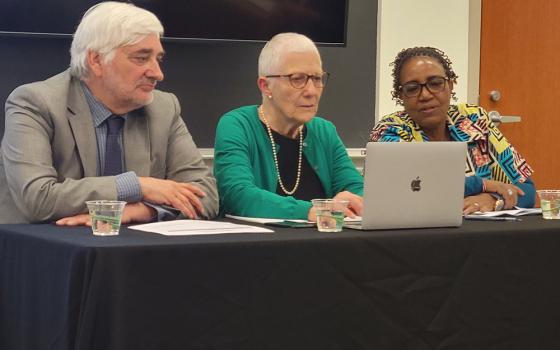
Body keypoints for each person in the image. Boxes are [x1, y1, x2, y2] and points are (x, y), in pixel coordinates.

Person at [0, 1, 218, 224]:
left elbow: (206, 195)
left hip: (130, 252)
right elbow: (38, 199)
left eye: (158, 59)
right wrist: (137, 186)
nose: (157, 73)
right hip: (43, 252)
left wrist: (141, 211)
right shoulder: (35, 103)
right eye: (141, 58)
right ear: (96, 60)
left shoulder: (163, 108)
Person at [213, 33, 363, 221]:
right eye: (297, 79)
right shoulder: (237, 125)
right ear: (265, 86)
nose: (311, 91)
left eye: (317, 78)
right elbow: (237, 196)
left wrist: (353, 201)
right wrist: (312, 211)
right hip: (258, 246)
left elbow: (357, 189)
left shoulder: (325, 131)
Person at [369, 46, 535, 214]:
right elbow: (419, 188)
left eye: (435, 84)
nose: (425, 95)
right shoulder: (390, 130)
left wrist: (493, 198)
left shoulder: (474, 120)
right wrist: (483, 185)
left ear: (450, 85)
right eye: (412, 88)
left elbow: (527, 190)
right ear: (401, 96)